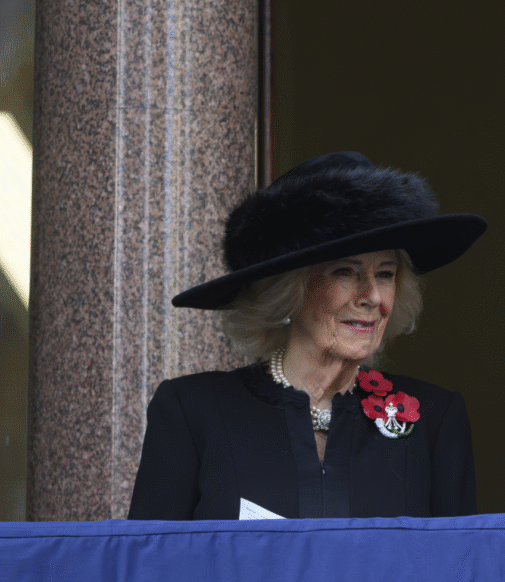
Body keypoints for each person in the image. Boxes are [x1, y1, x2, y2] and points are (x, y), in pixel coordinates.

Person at [128, 152, 486, 519]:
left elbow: (460, 553)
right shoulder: (193, 411)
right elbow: (150, 551)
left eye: (385, 274)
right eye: (345, 272)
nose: (373, 297)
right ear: (288, 292)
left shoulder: (434, 419)